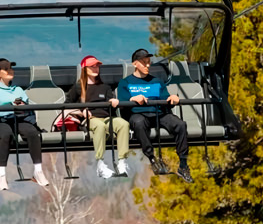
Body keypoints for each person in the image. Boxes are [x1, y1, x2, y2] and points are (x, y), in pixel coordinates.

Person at [117, 48, 192, 182]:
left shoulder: (157, 81)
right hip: (138, 114)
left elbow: (166, 99)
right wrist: (132, 99)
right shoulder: (126, 83)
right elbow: (122, 102)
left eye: (149, 62)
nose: (147, 65)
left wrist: (172, 99)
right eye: (144, 62)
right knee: (139, 123)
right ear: (135, 64)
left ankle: (183, 164)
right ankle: (152, 158)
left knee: (180, 124)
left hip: (158, 114)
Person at [0, 58, 49, 190]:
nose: (10, 71)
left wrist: (20, 106)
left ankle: (38, 170)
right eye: (6, 69)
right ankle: (2, 175)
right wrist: (10, 105)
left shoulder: (17, 89)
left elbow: (25, 104)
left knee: (32, 132)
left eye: (11, 68)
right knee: (6, 134)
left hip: (17, 118)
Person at [65, 55, 130, 179]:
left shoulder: (105, 87)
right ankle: (100, 163)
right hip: (89, 120)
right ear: (85, 69)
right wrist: (81, 112)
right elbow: (66, 107)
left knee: (123, 124)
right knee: (99, 126)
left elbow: (110, 103)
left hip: (106, 118)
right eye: (92, 66)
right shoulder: (78, 88)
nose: (96, 69)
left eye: (97, 66)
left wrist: (113, 102)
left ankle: (122, 161)